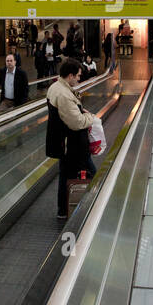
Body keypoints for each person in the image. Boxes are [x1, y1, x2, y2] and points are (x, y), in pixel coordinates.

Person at [46, 59, 97, 219]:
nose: (79, 79)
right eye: (78, 76)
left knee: (65, 175)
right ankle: (95, 205)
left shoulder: (56, 87)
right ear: (70, 75)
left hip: (65, 143)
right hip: (73, 145)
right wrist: (90, 117)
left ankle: (63, 210)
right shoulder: (63, 94)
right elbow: (77, 122)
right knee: (94, 174)